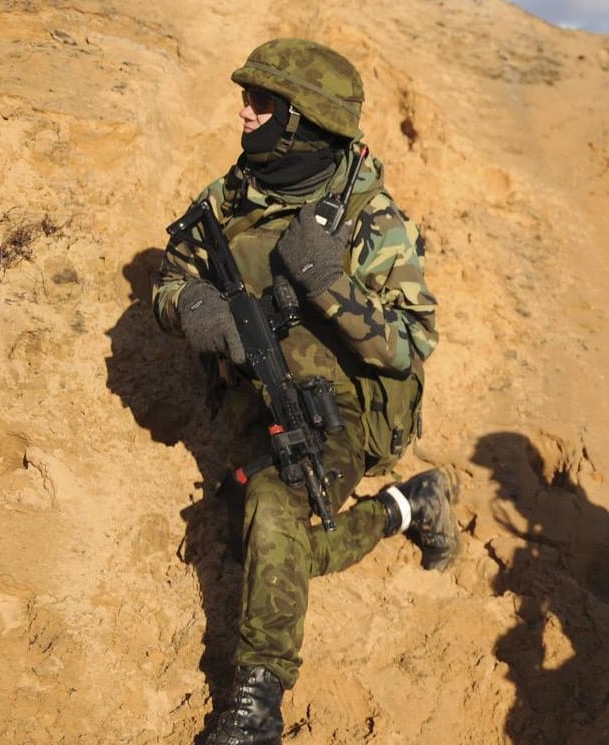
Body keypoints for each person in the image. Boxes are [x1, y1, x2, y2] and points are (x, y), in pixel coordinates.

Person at [152, 38, 459, 745]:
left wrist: (330, 284)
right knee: (264, 540)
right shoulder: (231, 195)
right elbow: (169, 280)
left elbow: (410, 344)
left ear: (305, 122)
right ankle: (408, 508)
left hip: (345, 405)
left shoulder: (370, 218)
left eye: (263, 103)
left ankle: (256, 704)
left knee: (272, 509)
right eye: (249, 99)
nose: (245, 113)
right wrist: (196, 310)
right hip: (256, 395)